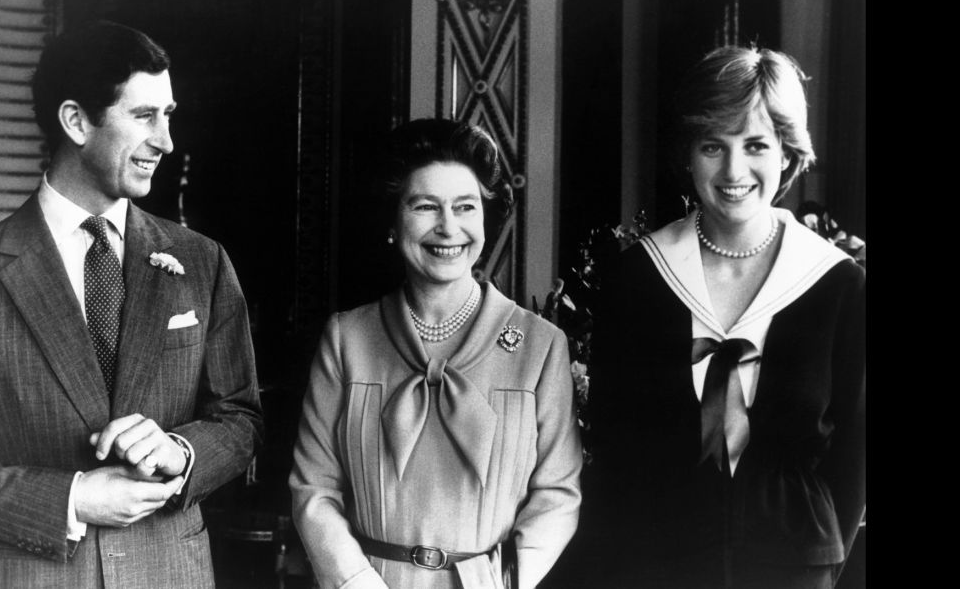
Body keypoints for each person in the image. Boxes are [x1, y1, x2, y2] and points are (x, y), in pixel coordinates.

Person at [0, 20, 264, 587]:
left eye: (168, 115)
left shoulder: (202, 261)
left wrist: (182, 452)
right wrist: (71, 498)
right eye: (144, 116)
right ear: (76, 121)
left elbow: (241, 421)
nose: (166, 141)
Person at [589, 45, 865, 588]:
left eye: (756, 145)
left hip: (793, 564)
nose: (734, 170)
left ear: (787, 153)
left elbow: (854, 456)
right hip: (654, 561)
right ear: (688, 155)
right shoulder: (637, 278)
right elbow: (613, 449)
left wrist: (821, 561)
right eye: (712, 145)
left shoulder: (839, 284)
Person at [289, 118, 582, 589]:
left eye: (465, 207)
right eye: (425, 206)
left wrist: (505, 582)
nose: (448, 228)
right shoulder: (347, 339)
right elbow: (313, 488)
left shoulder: (541, 346)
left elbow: (558, 495)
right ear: (392, 221)